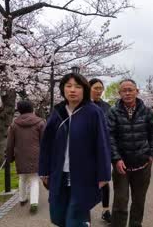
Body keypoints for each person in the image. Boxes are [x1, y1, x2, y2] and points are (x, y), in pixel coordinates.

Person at [39, 73, 111, 227]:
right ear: (63, 89)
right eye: (68, 86)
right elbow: (46, 144)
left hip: (84, 174)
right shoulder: (58, 112)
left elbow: (103, 144)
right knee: (59, 216)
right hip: (59, 173)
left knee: (76, 219)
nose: (73, 90)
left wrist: (104, 175)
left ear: (84, 90)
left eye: (78, 87)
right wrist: (43, 171)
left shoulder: (93, 112)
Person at [108, 79, 153, 227]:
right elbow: (109, 136)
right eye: (124, 90)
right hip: (121, 166)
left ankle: (136, 224)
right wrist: (116, 159)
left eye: (131, 89)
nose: (128, 93)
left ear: (137, 91)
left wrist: (152, 154)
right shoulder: (113, 112)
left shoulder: (147, 111)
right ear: (119, 93)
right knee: (120, 201)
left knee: (139, 200)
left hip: (143, 164)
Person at [6, 100, 45, 214]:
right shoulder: (40, 122)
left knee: (22, 178)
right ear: (32, 109)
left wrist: (9, 157)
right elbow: (45, 141)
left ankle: (22, 199)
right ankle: (34, 203)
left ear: (19, 110)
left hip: (20, 155)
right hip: (36, 155)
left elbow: (10, 144)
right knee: (34, 179)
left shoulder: (14, 124)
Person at [89, 78, 112, 223]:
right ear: (89, 88)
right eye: (96, 88)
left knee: (104, 180)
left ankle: (106, 210)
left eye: (101, 88)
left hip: (103, 149)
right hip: (85, 151)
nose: (99, 91)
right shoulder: (82, 105)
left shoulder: (107, 107)